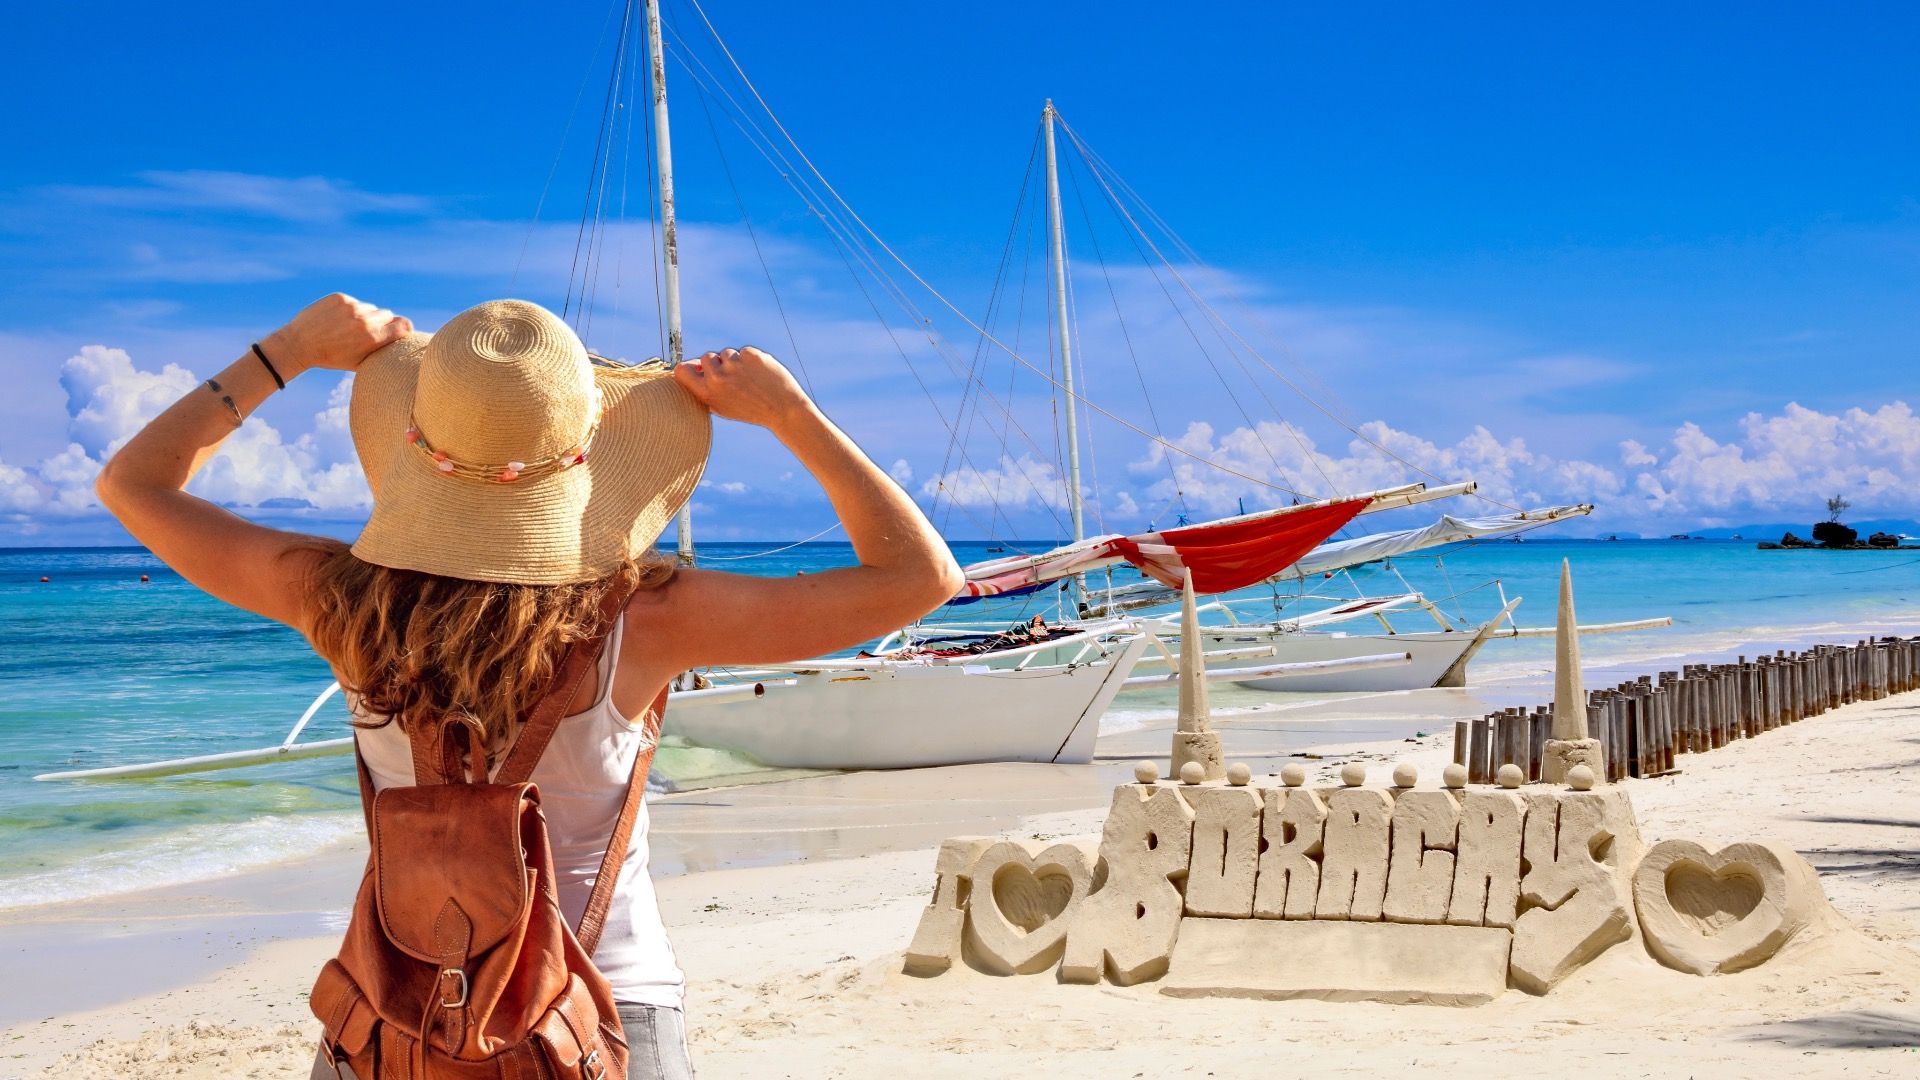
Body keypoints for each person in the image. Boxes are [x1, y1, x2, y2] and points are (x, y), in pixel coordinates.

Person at [96, 294, 963, 1079]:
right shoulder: (648, 619)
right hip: (600, 1005)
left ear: (417, 445)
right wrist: (789, 413)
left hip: (395, 1010)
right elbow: (919, 577)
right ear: (585, 451)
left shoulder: (337, 600)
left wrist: (285, 350)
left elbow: (131, 483)